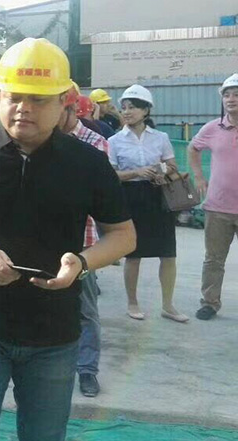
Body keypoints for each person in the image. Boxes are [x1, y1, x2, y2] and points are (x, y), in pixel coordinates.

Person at [0, 38, 136, 441]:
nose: (23, 108)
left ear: (64, 102)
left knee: (43, 440)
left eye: (38, 99)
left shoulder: (88, 164)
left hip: (54, 330)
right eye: (14, 97)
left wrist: (81, 262)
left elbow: (124, 235)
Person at [108, 84, 188, 323]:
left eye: (132, 107)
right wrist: (137, 172)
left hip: (158, 196)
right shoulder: (114, 141)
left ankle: (168, 305)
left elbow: (172, 166)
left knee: (168, 253)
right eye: (124, 108)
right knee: (133, 254)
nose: (127, 112)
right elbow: (111, 175)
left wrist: (161, 172)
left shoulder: (161, 138)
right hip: (131, 198)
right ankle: (132, 303)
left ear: (146, 111)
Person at [58, 88, 112, 398]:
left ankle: (87, 370)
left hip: (82, 243)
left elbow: (96, 195)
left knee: (86, 310)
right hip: (43, 241)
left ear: (68, 110)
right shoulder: (42, 140)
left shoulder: (95, 143)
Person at [188, 73, 238, 320]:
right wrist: (198, 177)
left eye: (236, 94)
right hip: (218, 207)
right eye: (226, 95)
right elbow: (193, 148)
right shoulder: (212, 128)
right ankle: (209, 302)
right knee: (214, 260)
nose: (231, 99)